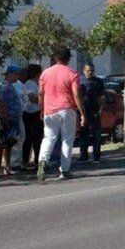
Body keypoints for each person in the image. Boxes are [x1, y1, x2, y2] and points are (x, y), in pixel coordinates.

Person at [37, 47, 86, 181]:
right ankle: (64, 170)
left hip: (49, 110)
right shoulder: (72, 73)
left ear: (55, 58)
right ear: (68, 58)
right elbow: (76, 94)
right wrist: (82, 113)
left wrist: (41, 109)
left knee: (49, 137)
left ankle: (42, 161)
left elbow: (41, 93)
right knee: (67, 140)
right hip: (67, 109)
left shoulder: (45, 74)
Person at [0, 65, 23, 177]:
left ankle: (7, 167)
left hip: (13, 119)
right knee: (1, 143)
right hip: (5, 119)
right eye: (16, 74)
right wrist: (5, 121)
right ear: (9, 74)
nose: (17, 76)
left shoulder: (11, 86)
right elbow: (1, 105)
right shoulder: (2, 87)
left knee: (9, 143)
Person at [79, 64, 105, 163]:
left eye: (92, 70)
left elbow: (102, 96)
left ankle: (96, 156)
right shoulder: (80, 81)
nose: (90, 72)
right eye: (88, 70)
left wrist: (101, 108)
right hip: (84, 111)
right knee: (83, 134)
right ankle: (83, 156)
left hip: (94, 111)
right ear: (84, 71)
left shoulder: (98, 82)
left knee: (96, 134)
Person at [21, 64, 43, 170]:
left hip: (34, 112)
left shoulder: (35, 83)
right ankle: (28, 162)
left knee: (35, 139)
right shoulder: (30, 83)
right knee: (33, 138)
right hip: (32, 113)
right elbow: (31, 97)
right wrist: (43, 102)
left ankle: (35, 161)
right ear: (36, 73)